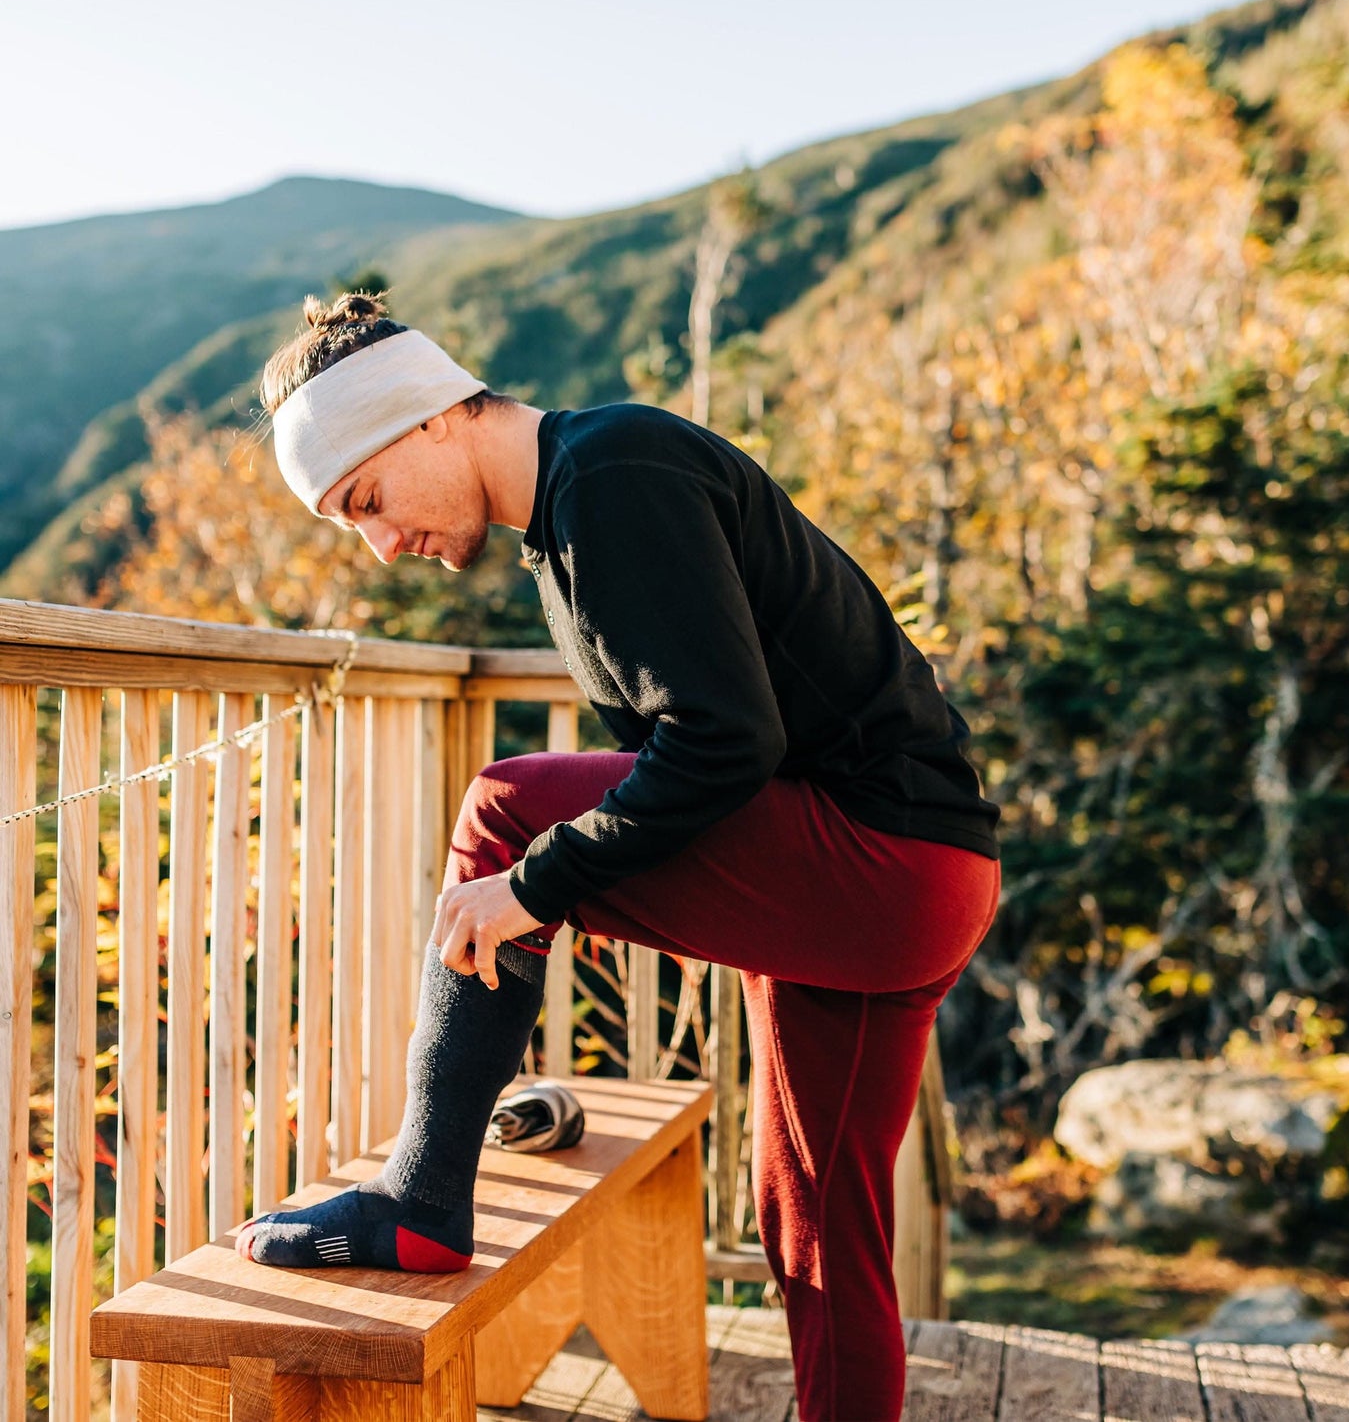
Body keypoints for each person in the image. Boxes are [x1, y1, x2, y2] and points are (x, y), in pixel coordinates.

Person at [236, 292, 1001, 1421]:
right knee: (812, 1217)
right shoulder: (574, 508)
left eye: (368, 500)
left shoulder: (612, 473)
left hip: (877, 858)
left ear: (430, 417)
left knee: (505, 809)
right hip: (919, 873)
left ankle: (422, 1195)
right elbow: (700, 753)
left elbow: (721, 742)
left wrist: (536, 885)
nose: (382, 544)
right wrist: (590, 889)